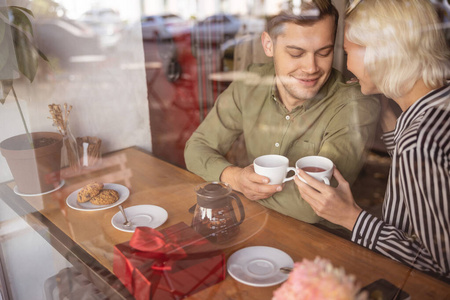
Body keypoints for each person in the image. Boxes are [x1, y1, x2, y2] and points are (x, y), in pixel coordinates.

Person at [184, 0, 380, 226]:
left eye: (324, 53)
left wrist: (238, 186)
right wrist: (235, 178)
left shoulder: (354, 102)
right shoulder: (251, 84)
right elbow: (196, 148)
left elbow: (311, 208)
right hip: (253, 227)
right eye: (296, 53)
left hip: (320, 246)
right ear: (268, 45)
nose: (311, 67)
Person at [295, 0, 450, 281]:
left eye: (346, 51)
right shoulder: (435, 107)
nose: (345, 64)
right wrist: (388, 116)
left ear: (381, 53)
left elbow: (442, 263)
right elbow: (420, 172)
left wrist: (349, 217)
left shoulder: (420, 142)